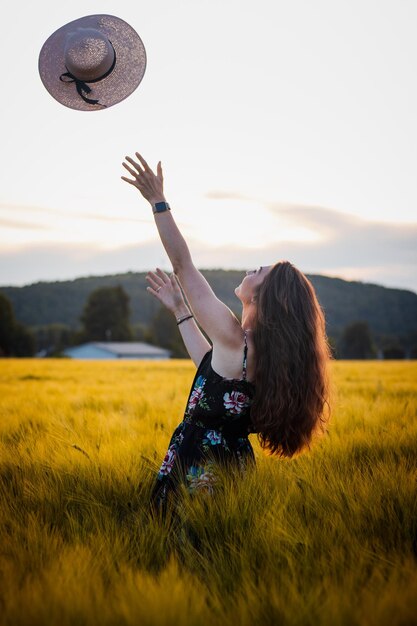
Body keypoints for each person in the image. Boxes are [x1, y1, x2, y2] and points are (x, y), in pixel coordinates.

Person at [121, 152, 332, 514]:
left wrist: (159, 202)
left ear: (266, 297)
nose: (250, 270)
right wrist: (180, 310)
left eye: (259, 270)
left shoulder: (235, 338)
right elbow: (208, 367)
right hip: (233, 470)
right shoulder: (261, 354)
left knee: (179, 549)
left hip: (197, 465)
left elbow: (183, 266)